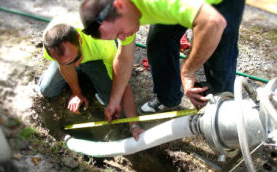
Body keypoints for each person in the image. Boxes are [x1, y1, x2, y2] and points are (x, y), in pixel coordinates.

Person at [79, 0, 245, 121]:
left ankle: (223, 116)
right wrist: (114, 100)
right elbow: (123, 58)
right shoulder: (121, 13)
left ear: (120, 5)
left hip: (222, 3)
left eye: (120, 31)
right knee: (159, 44)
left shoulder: (155, 2)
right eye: (117, 36)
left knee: (221, 57)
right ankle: (168, 98)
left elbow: (213, 22)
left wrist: (187, 72)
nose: (123, 37)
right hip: (178, 5)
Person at [39, 14, 144, 140]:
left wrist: (134, 124)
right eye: (66, 62)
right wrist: (77, 93)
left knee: (117, 108)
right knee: (47, 90)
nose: (76, 65)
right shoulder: (51, 46)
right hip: (70, 54)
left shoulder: (103, 44)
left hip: (96, 58)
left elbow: (123, 83)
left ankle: (89, 78)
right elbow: (66, 66)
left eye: (76, 58)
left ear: (79, 39)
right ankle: (82, 78)